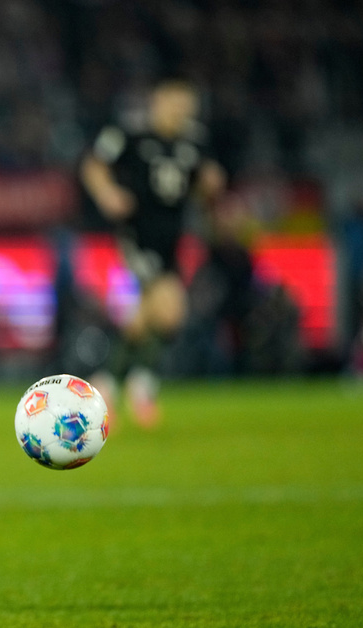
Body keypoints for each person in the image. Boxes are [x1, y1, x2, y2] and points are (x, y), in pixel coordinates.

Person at [79, 78, 226, 426]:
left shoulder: (194, 143)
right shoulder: (130, 135)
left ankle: (106, 385)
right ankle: (141, 383)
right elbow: (93, 165)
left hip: (173, 238)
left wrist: (211, 189)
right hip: (138, 233)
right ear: (157, 102)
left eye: (186, 105)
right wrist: (107, 194)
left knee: (141, 320)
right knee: (170, 309)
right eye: (174, 102)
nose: (180, 111)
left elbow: (203, 189)